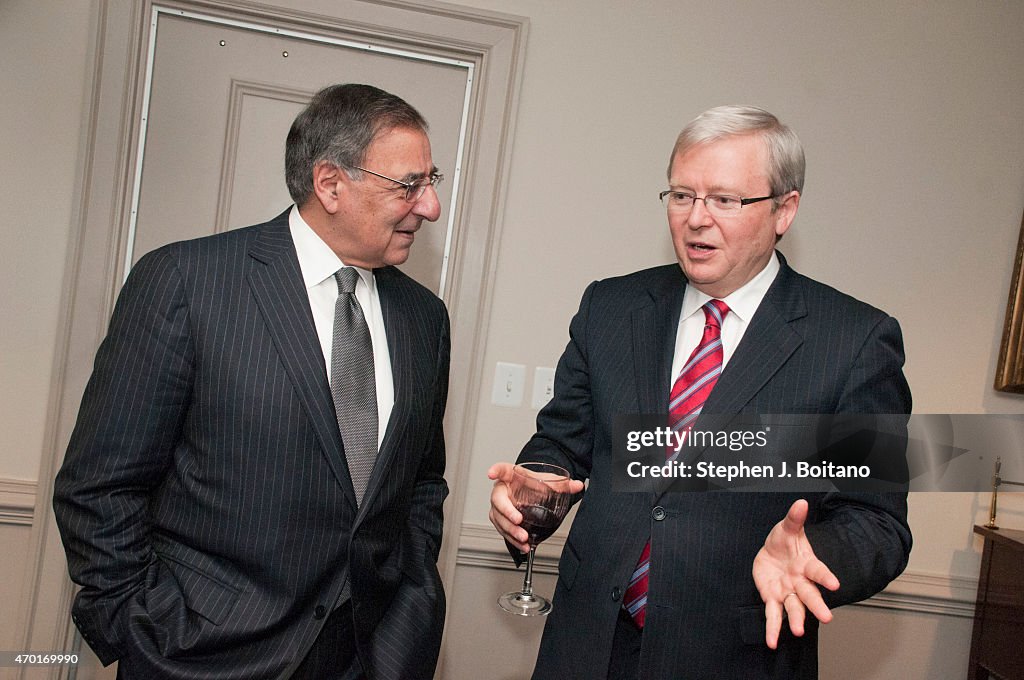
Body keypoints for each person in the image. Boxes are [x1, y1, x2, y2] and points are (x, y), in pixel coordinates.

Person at [488, 105, 912, 679]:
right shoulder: (610, 309)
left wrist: (819, 555)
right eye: (681, 195)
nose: (695, 219)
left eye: (724, 200)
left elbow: (877, 522)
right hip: (586, 647)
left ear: (784, 209)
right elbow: (562, 443)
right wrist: (534, 481)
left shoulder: (853, 340)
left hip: (735, 657)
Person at [53, 83, 450, 679]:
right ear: (330, 183)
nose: (431, 206)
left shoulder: (424, 318)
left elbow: (420, 483)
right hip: (201, 655)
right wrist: (146, 629)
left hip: (367, 656)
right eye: (408, 184)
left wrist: (413, 610)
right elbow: (99, 487)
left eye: (431, 180)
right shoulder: (187, 282)